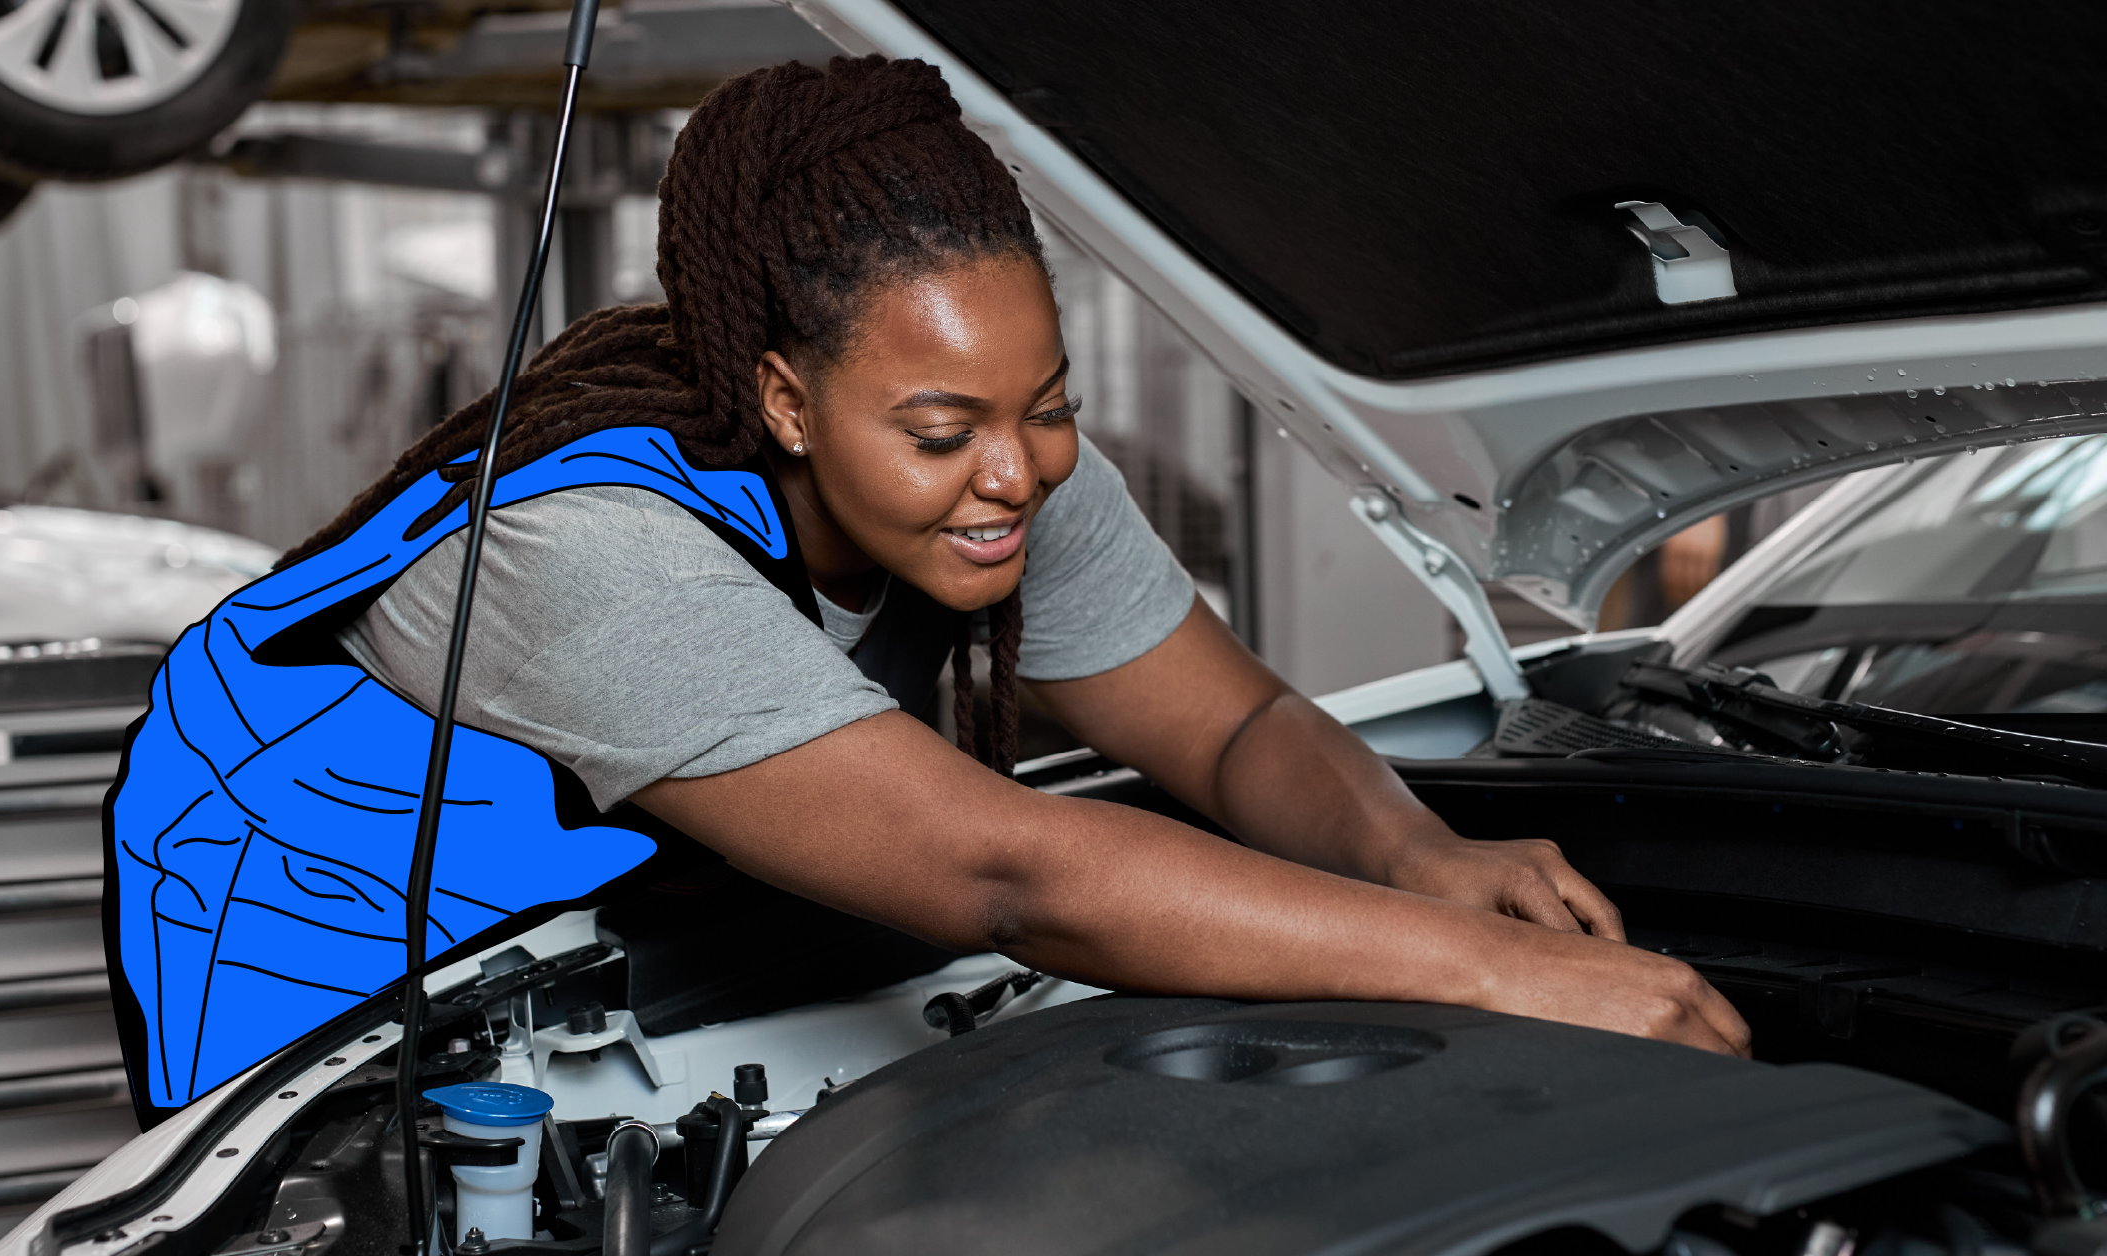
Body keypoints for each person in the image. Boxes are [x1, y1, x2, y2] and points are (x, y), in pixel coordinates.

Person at [112, 56, 1744, 1115]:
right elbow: (1008, 871)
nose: (1016, 472)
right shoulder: (592, 554)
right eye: (945, 430)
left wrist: (1419, 857)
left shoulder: (997, 470)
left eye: (1050, 406)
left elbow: (1235, 730)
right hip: (328, 986)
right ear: (784, 400)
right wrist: (1497, 973)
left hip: (612, 956)